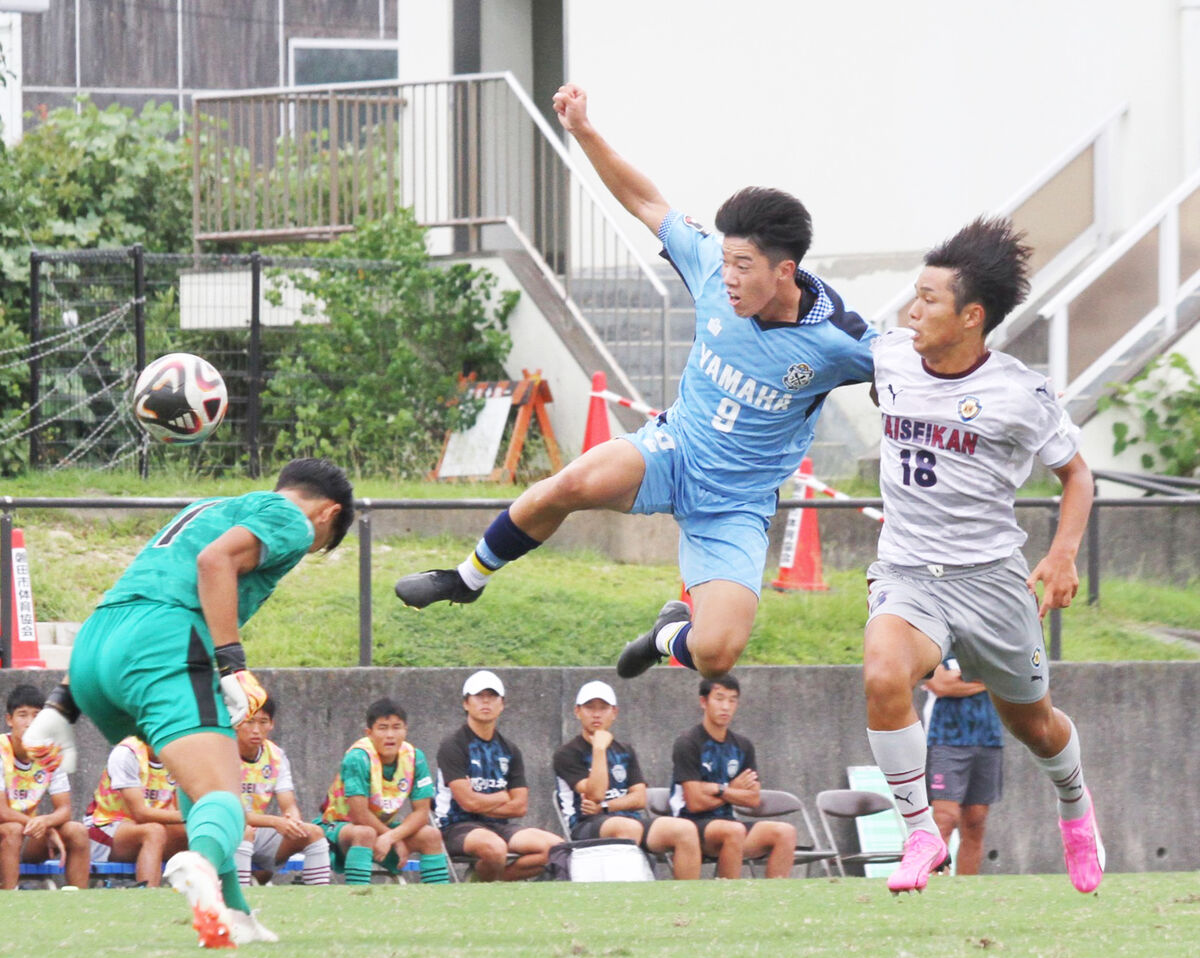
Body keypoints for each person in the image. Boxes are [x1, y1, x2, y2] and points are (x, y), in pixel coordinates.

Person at [394, 83, 876, 680]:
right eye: (724, 260)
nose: (726, 276)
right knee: (567, 485)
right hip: (673, 450)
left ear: (785, 270)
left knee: (716, 655)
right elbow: (646, 201)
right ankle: (465, 580)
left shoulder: (839, 338)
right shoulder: (710, 265)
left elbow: (910, 370)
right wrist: (585, 131)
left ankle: (667, 633)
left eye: (742, 266)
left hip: (737, 505)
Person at [862, 216, 1104, 895]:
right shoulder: (888, 357)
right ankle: (918, 834)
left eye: (929, 300)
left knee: (1034, 724)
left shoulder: (1019, 394)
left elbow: (1078, 475)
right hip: (909, 572)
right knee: (884, 672)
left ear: (971, 316)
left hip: (992, 582)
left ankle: (1076, 808)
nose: (913, 310)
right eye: (914, 295)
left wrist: (1061, 557)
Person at [23, 457, 353, 947]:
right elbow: (213, 562)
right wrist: (232, 663)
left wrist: (62, 703)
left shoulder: (208, 507)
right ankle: (196, 863)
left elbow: (144, 585)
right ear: (329, 513)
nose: (309, 547)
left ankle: (233, 915)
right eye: (321, 544)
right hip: (165, 642)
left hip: (96, 646)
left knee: (203, 790)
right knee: (225, 803)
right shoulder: (295, 520)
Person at [552, 680, 701, 880]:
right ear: (577, 711)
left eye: (603, 708)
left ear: (614, 712)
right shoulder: (567, 753)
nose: (596, 714)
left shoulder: (625, 750)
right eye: (590, 707)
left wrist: (605, 807)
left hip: (625, 819)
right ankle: (626, 897)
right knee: (626, 828)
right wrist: (599, 749)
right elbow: (594, 794)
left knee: (685, 829)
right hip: (585, 824)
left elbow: (639, 799)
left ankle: (685, 902)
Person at [434, 670, 561, 881]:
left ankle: (489, 883)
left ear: (502, 704)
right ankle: (485, 886)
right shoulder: (453, 745)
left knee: (557, 849)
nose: (486, 702)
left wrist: (484, 801)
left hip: (499, 826)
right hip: (456, 826)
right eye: (479, 696)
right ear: (466, 703)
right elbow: (468, 803)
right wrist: (501, 797)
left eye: (492, 696)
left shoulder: (509, 749)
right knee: (494, 849)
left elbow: (520, 806)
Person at [669, 675, 796, 879]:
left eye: (732, 700)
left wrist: (720, 789)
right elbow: (694, 802)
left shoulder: (742, 746)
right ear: (704, 702)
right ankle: (728, 899)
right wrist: (733, 790)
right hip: (691, 826)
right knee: (733, 831)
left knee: (785, 832)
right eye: (719, 699)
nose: (726, 707)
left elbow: (753, 799)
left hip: (729, 822)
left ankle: (775, 901)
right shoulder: (688, 743)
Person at [314, 696, 449, 885]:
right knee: (365, 833)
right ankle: (356, 898)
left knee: (431, 835)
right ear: (369, 733)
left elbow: (422, 812)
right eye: (383, 728)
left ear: (405, 730)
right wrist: (394, 839)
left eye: (396, 727)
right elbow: (358, 814)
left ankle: (440, 901)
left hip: (383, 830)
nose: (390, 735)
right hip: (339, 828)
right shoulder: (358, 757)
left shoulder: (415, 757)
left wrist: (392, 837)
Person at [234, 695, 330, 886]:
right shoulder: (222, 752)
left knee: (313, 833)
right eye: (249, 722)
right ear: (235, 722)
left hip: (257, 830)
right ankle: (238, 904)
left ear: (272, 725)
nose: (256, 730)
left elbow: (288, 803)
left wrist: (292, 820)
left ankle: (320, 903)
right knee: (244, 833)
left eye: (263, 722)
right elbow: (233, 812)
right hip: (225, 829)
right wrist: (276, 822)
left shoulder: (276, 755)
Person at [0, 684, 90, 889]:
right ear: (9, 720)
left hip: (29, 833)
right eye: (22, 715)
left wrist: (46, 822)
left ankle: (81, 902)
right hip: (8, 831)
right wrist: (45, 827)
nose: (29, 722)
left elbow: (65, 809)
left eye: (36, 716)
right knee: (12, 830)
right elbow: (2, 812)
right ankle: (8, 901)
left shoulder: (50, 754)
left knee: (76, 830)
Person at [923, 659, 1004, 875]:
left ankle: (965, 889)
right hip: (945, 740)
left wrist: (961, 681)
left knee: (975, 822)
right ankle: (935, 886)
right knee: (945, 818)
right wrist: (987, 678)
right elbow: (941, 686)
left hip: (989, 739)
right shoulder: (938, 645)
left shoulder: (990, 644)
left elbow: (1009, 677)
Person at [85, 735, 189, 886]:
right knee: (153, 832)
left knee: (195, 833)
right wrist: (190, 816)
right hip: (104, 830)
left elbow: (179, 810)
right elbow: (140, 813)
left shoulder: (179, 756)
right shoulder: (127, 753)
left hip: (149, 829)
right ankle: (146, 899)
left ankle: (203, 900)